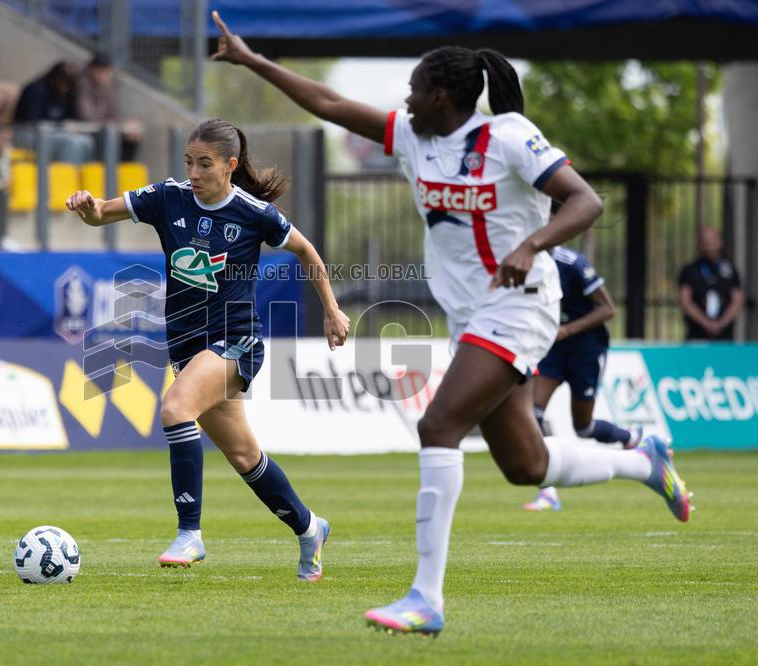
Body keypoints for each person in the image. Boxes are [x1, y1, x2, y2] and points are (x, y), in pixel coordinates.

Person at [210, 11, 692, 636]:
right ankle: (644, 461)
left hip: (521, 308)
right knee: (526, 464)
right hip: (474, 316)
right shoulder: (414, 139)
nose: (405, 100)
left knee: (438, 424)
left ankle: (426, 598)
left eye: (414, 90)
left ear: (441, 96)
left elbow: (586, 200)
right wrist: (252, 60)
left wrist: (532, 245)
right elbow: (329, 103)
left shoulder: (509, 135)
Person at [65, 118, 349, 580]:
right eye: (189, 162)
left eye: (204, 164)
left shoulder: (254, 213)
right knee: (245, 458)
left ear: (230, 165)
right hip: (187, 346)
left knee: (176, 408)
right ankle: (310, 528)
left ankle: (189, 532)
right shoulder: (168, 197)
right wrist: (86, 205)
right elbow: (101, 214)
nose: (193, 173)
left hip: (236, 341)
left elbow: (306, 250)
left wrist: (332, 311)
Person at [523, 246, 642, 512]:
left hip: (586, 349)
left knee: (583, 428)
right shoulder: (528, 263)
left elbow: (607, 309)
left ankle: (631, 437)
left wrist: (568, 330)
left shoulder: (573, 264)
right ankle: (548, 492)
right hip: (553, 349)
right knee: (534, 412)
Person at [14, 60, 93, 164]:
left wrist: (71, 126)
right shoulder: (36, 90)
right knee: (69, 143)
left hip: (57, 132)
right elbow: (32, 121)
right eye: (63, 83)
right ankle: (66, 173)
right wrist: (59, 128)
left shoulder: (68, 93)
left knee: (86, 141)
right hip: (27, 132)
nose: (65, 88)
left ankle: (82, 173)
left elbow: (70, 117)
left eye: (69, 85)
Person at [678, 226, 744, 341]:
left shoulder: (730, 270)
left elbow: (737, 300)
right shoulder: (689, 270)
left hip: (725, 336)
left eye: (713, 240)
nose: (710, 245)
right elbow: (685, 300)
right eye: (706, 241)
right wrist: (706, 323)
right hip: (696, 334)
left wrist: (721, 323)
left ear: (721, 242)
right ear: (699, 244)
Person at [75, 51, 142, 161]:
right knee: (109, 135)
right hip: (88, 131)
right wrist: (119, 124)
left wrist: (126, 125)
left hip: (107, 128)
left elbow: (114, 114)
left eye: (106, 71)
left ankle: (121, 170)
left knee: (132, 133)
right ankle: (109, 170)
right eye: (100, 70)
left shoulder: (111, 87)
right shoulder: (83, 85)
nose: (103, 75)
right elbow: (87, 117)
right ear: (91, 70)